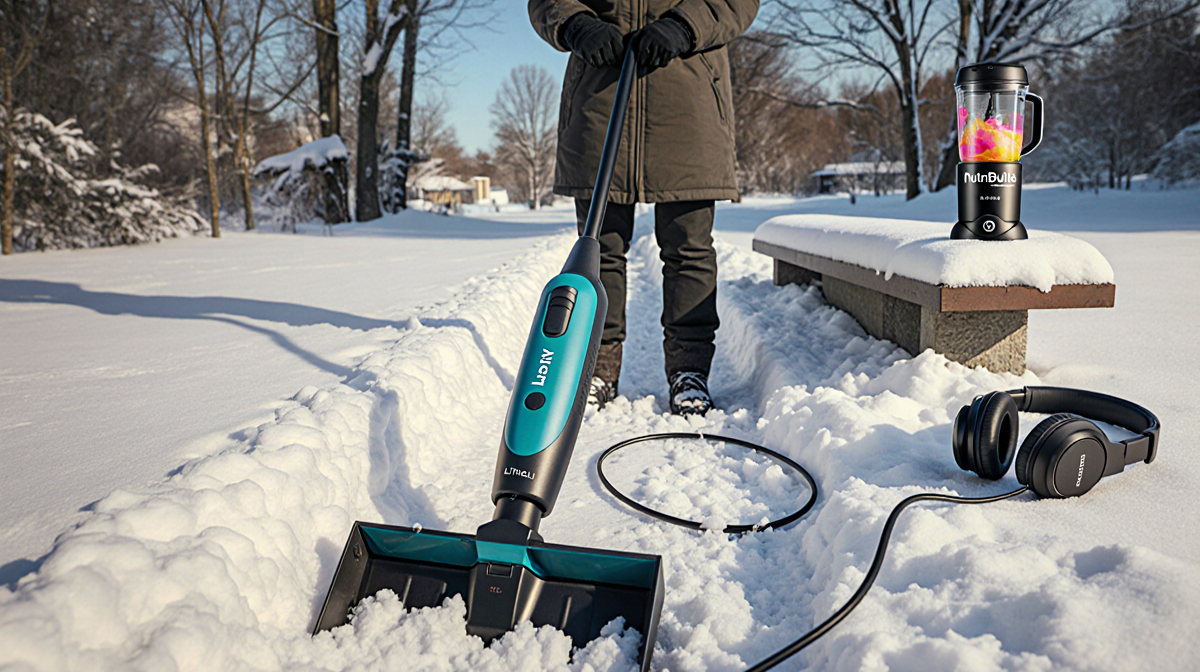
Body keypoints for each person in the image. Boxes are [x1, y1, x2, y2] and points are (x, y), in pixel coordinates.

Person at [529, 0, 758, 415]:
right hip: (599, 104)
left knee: (689, 249)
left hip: (688, 109)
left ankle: (690, 370)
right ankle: (596, 368)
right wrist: (577, 24)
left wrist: (684, 27)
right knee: (600, 250)